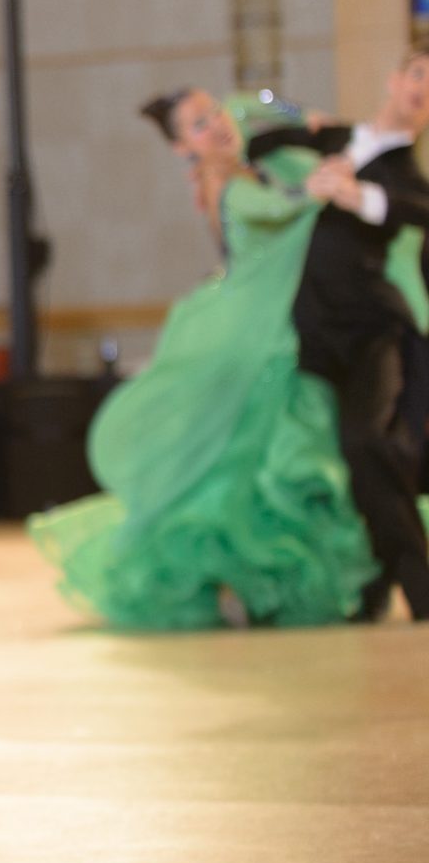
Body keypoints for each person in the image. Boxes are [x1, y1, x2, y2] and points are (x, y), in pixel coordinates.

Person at [29, 90, 418, 627]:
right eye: (197, 125)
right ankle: (247, 587)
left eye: (214, 113)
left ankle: (306, 585)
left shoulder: (246, 158)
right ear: (181, 148)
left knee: (290, 463)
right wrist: (315, 189)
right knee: (258, 469)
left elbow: (258, 106)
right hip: (258, 342)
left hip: (286, 331)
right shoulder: (225, 185)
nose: (215, 125)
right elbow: (276, 209)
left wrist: (297, 115)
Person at [244, 52, 429, 620]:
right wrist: (307, 136)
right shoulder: (334, 137)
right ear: (394, 79)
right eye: (421, 74)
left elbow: (413, 208)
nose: (426, 89)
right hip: (306, 332)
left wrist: (354, 196)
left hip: (370, 330)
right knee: (319, 462)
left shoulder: (404, 174)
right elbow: (256, 142)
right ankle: (368, 585)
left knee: (369, 442)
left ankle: (419, 588)